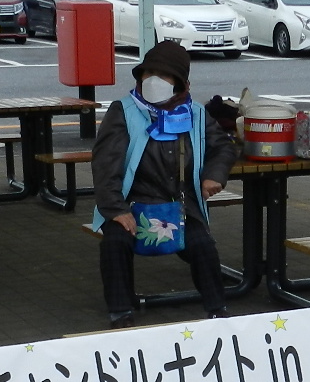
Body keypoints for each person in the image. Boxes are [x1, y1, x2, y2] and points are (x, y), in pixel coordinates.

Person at [91, 40, 235, 328]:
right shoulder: (123, 111)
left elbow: (223, 147)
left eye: (165, 75)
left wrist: (214, 175)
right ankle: (120, 312)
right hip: (131, 205)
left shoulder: (196, 113)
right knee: (115, 242)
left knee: (202, 245)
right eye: (149, 73)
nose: (154, 80)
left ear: (181, 84)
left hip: (180, 207)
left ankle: (217, 312)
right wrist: (115, 209)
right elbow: (105, 165)